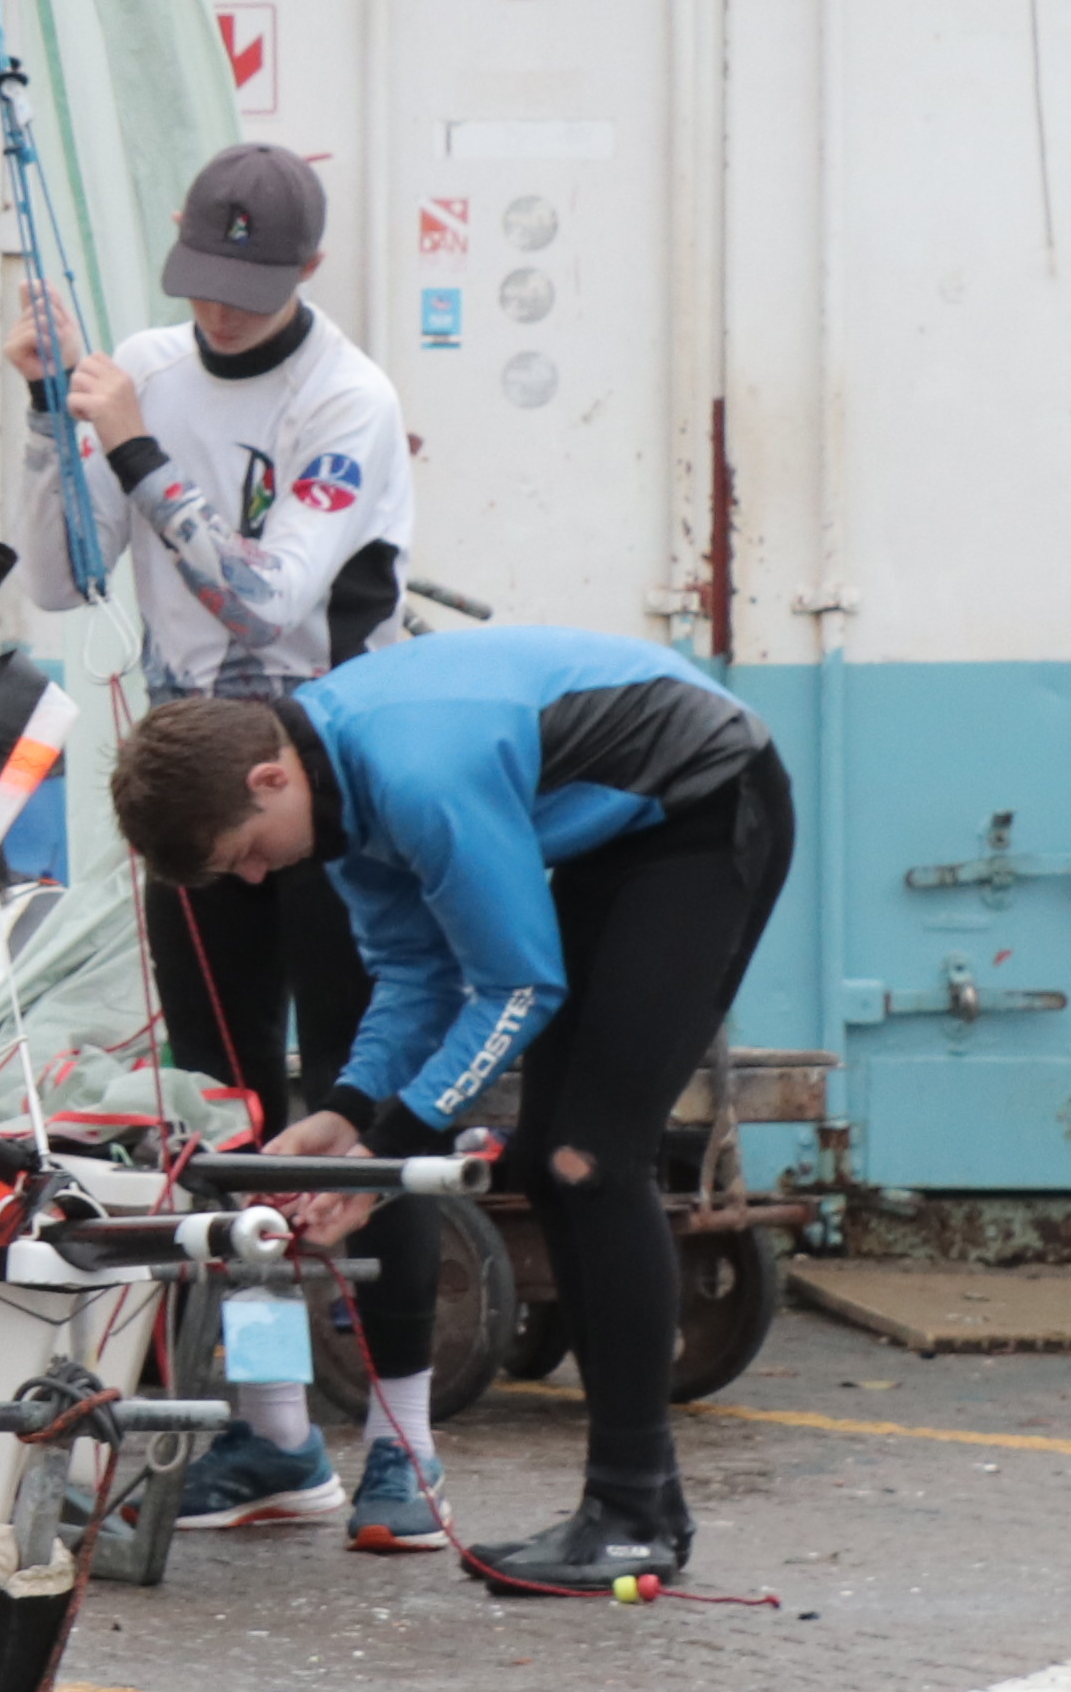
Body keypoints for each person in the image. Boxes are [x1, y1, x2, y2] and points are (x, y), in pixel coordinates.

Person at [109, 626, 794, 1598]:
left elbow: (517, 985)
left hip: (709, 801)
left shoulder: (416, 774)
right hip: (621, 834)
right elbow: (415, 975)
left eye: (249, 854)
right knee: (552, 1159)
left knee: (591, 1159)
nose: (256, 880)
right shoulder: (338, 793)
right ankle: (632, 1509)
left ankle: (634, 1513)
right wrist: (349, 1113)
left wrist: (395, 1145)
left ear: (269, 779)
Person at [8, 140, 434, 1546]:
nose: (221, 311)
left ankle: (407, 1448)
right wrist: (48, 422)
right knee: (225, 1117)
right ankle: (274, 1433)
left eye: (251, 288)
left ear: (308, 270)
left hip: (334, 785)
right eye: (202, 279)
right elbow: (60, 574)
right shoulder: (146, 367)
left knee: (358, 1115)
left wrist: (131, 443)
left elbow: (265, 598)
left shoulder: (347, 399)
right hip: (198, 784)